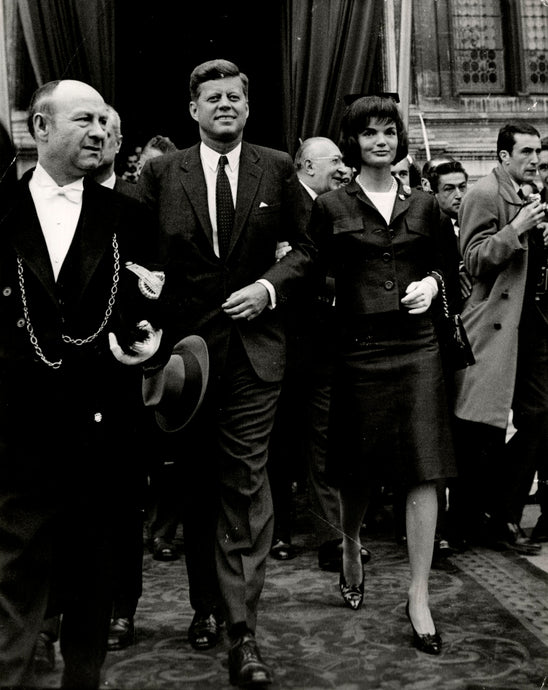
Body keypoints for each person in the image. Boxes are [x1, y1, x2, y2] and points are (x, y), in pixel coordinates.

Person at [138, 59, 314, 687]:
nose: (224, 106)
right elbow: (130, 251)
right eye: (212, 98)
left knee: (244, 481)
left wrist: (269, 286)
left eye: (234, 97)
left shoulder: (278, 167)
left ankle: (244, 635)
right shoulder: (162, 173)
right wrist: (144, 288)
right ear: (193, 110)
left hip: (253, 354)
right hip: (186, 360)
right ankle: (204, 606)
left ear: (248, 105)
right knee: (196, 482)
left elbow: (310, 248)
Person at [0, 79, 166, 689]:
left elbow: (153, 310)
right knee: (13, 572)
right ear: (40, 129)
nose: (99, 132)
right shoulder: (0, 211)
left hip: (102, 424)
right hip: (18, 424)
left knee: (94, 572)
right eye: (83, 120)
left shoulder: (130, 217)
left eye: (104, 121)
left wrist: (153, 346)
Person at [309, 95, 457, 655]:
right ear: (354, 141)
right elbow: (314, 275)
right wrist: (345, 296)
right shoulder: (331, 207)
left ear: (399, 140)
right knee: (358, 470)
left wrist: (434, 285)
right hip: (360, 349)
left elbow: (452, 271)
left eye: (388, 132)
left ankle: (418, 594)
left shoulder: (425, 206)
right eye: (369, 133)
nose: (380, 141)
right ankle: (350, 547)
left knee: (426, 467)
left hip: (418, 349)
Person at [268, 136, 370, 572]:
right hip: (277, 344)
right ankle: (278, 532)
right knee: (277, 443)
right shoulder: (277, 204)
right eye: (335, 161)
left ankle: (333, 539)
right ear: (307, 166)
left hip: (327, 345)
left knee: (325, 442)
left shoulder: (342, 207)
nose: (343, 168)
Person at [452, 122, 547, 555]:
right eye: (525, 152)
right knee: (481, 429)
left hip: (531, 324)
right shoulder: (484, 194)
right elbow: (473, 259)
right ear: (503, 156)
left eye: (537, 151)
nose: (534, 159)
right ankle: (474, 521)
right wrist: (517, 229)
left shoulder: (530, 194)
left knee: (538, 415)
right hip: (495, 326)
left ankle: (502, 512)